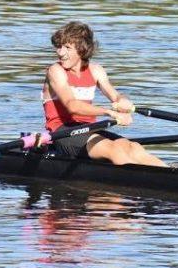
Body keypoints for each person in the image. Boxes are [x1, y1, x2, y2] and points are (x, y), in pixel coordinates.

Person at [42, 22, 167, 167]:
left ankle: (172, 174)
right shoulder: (55, 71)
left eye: (68, 48)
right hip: (63, 132)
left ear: (82, 50)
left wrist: (122, 102)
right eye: (59, 47)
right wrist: (109, 112)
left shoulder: (96, 70)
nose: (60, 53)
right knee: (114, 150)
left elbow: (115, 96)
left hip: (89, 128)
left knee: (132, 147)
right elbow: (72, 106)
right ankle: (145, 179)